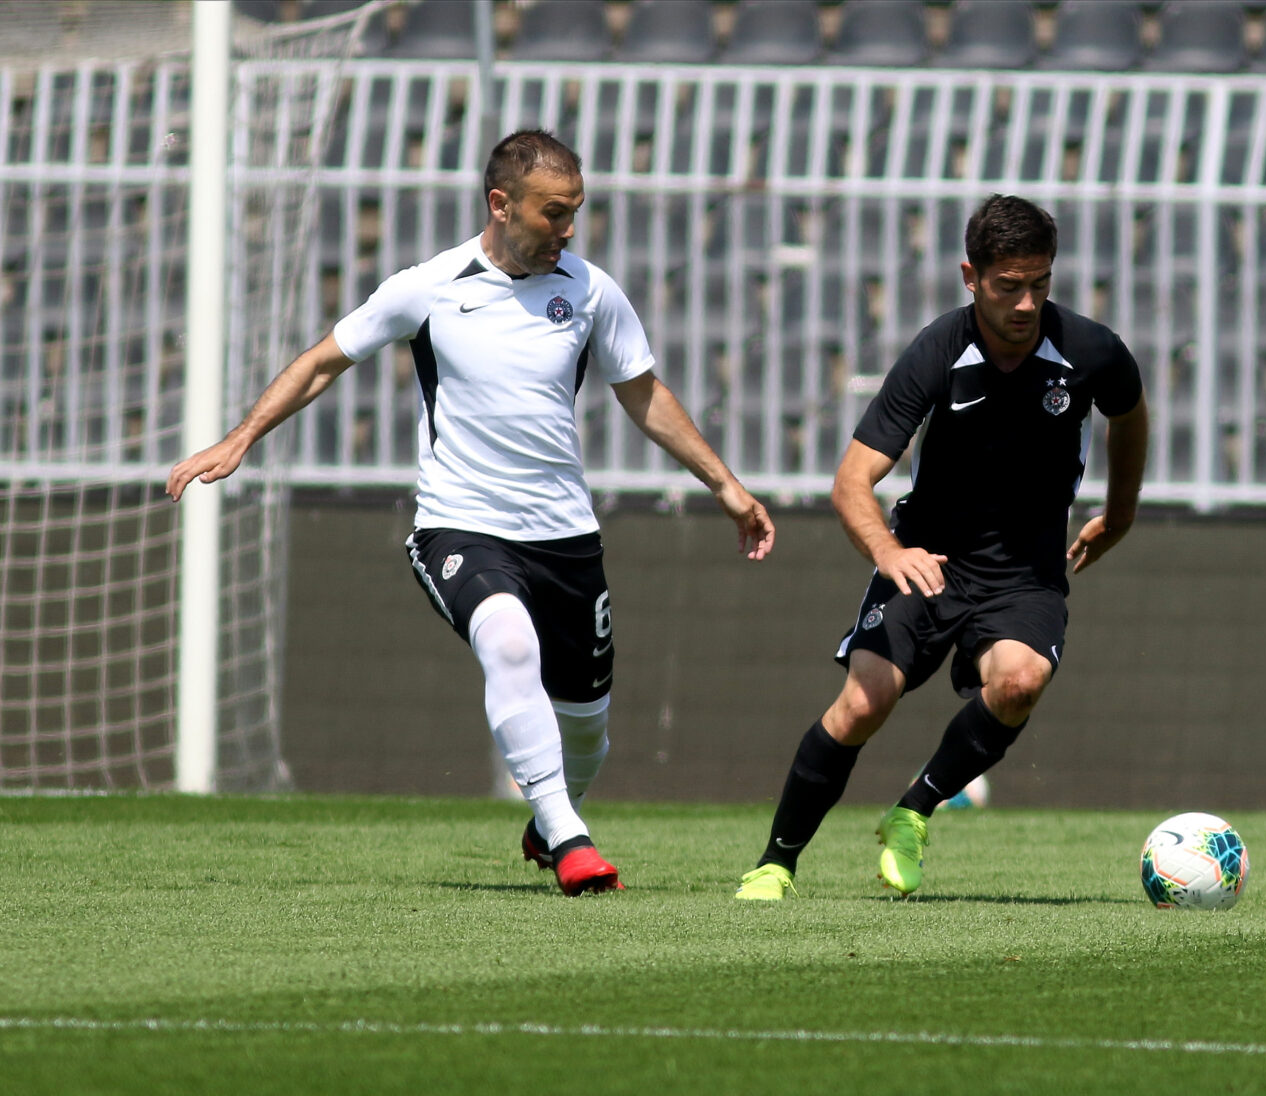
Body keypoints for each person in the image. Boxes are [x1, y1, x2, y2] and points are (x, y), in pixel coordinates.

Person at [168, 129, 775, 897]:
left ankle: (553, 815)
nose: (568, 229)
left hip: (566, 539)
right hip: (460, 526)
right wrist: (241, 437)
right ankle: (572, 842)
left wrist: (725, 485)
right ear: (501, 204)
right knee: (509, 645)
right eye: (553, 213)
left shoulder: (590, 291)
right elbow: (325, 360)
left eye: (575, 213)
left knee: (587, 728)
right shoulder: (428, 286)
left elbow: (645, 395)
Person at [734, 194, 1146, 900]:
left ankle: (913, 812)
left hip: (1025, 576)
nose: (1025, 303)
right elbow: (851, 483)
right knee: (862, 706)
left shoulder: (1090, 351)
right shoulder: (937, 351)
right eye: (1007, 285)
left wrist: (1120, 513)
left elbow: (1130, 415)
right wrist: (890, 556)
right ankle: (775, 862)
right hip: (927, 562)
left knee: (1019, 683)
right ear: (970, 275)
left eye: (1040, 284)